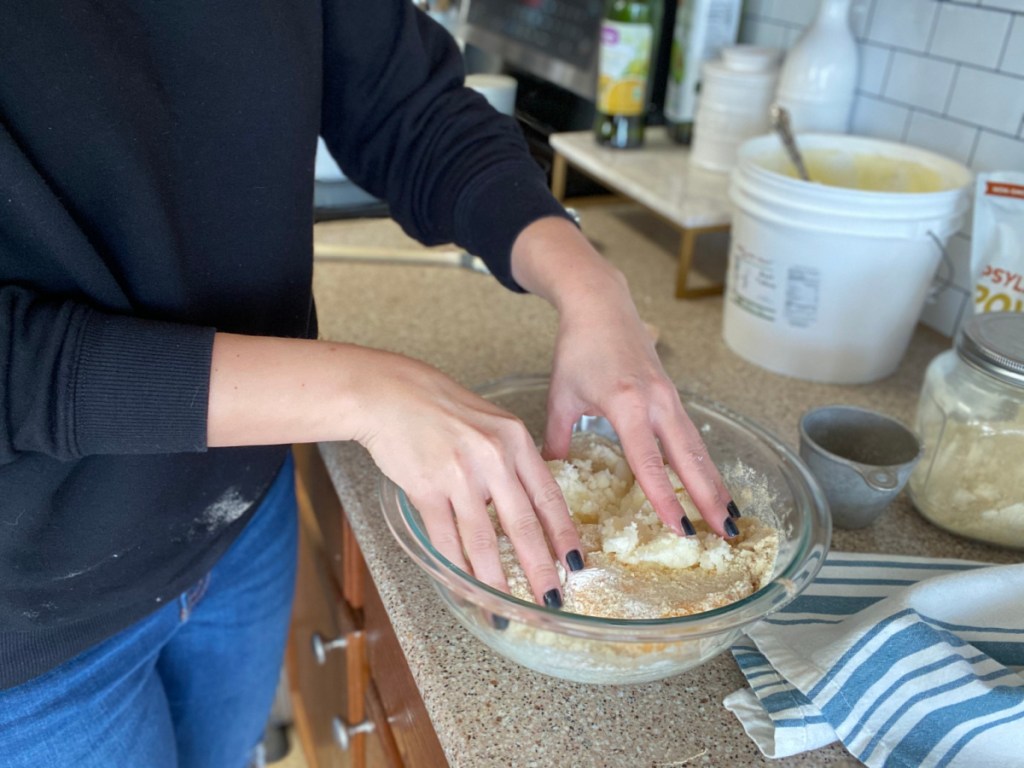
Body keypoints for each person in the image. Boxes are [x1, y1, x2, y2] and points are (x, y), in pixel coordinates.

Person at [0, 1, 741, 765]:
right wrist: (360, 392)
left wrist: (589, 285)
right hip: (35, 617)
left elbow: (404, 106)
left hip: (237, 521)